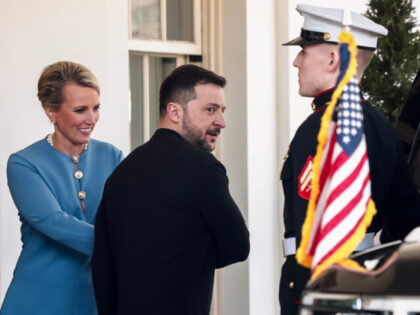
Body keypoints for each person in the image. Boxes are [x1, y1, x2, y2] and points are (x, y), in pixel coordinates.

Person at [279, 5, 420, 315]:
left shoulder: (320, 128)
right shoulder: (382, 126)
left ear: (333, 59)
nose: (296, 61)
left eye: (304, 50)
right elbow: (406, 221)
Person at [92, 64, 250, 315]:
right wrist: (191, 257)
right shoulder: (204, 168)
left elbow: (102, 263)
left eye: (222, 110)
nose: (221, 121)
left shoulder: (122, 171)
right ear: (174, 112)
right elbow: (238, 246)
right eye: (210, 110)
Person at [0, 61, 123, 314]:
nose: (92, 119)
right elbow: (54, 221)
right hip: (37, 301)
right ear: (51, 112)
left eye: (96, 108)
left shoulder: (112, 156)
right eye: (80, 110)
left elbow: (133, 216)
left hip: (95, 300)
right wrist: (130, 243)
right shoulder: (24, 163)